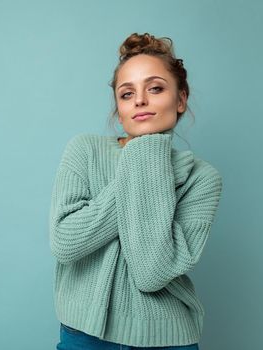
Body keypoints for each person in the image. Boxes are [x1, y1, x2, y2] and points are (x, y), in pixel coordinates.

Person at [48, 32, 223, 349]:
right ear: (118, 107)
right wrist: (143, 167)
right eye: (126, 94)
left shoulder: (202, 178)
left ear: (181, 99)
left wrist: (150, 156)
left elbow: (151, 272)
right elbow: (65, 242)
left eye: (155, 88)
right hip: (86, 334)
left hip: (167, 337)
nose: (140, 100)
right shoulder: (84, 150)